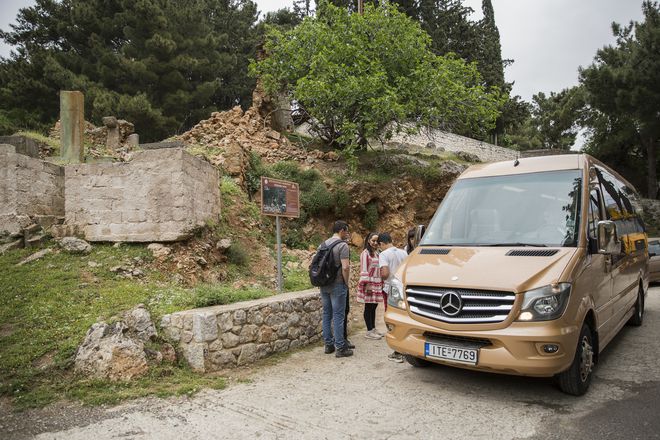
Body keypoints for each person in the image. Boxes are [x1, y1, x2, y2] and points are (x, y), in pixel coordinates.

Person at [319, 220, 353, 358]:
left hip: (324, 284)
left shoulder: (322, 244)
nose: (347, 234)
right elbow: (345, 267)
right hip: (338, 284)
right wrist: (346, 282)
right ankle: (340, 347)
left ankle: (328, 345)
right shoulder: (342, 246)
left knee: (327, 314)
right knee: (339, 316)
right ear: (342, 230)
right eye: (346, 231)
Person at [378, 232, 409, 363]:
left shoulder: (383, 254)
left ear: (381, 244)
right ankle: (407, 346)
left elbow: (384, 273)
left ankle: (398, 350)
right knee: (405, 317)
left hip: (390, 289)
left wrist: (381, 275)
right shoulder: (404, 253)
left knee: (392, 317)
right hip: (404, 289)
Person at [357, 232, 384, 340]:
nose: (375, 243)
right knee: (368, 306)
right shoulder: (365, 253)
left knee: (374, 306)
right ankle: (369, 331)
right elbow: (364, 269)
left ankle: (373, 328)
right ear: (368, 241)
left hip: (376, 282)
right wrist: (367, 284)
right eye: (373, 240)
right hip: (369, 282)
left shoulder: (377, 253)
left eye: (376, 241)